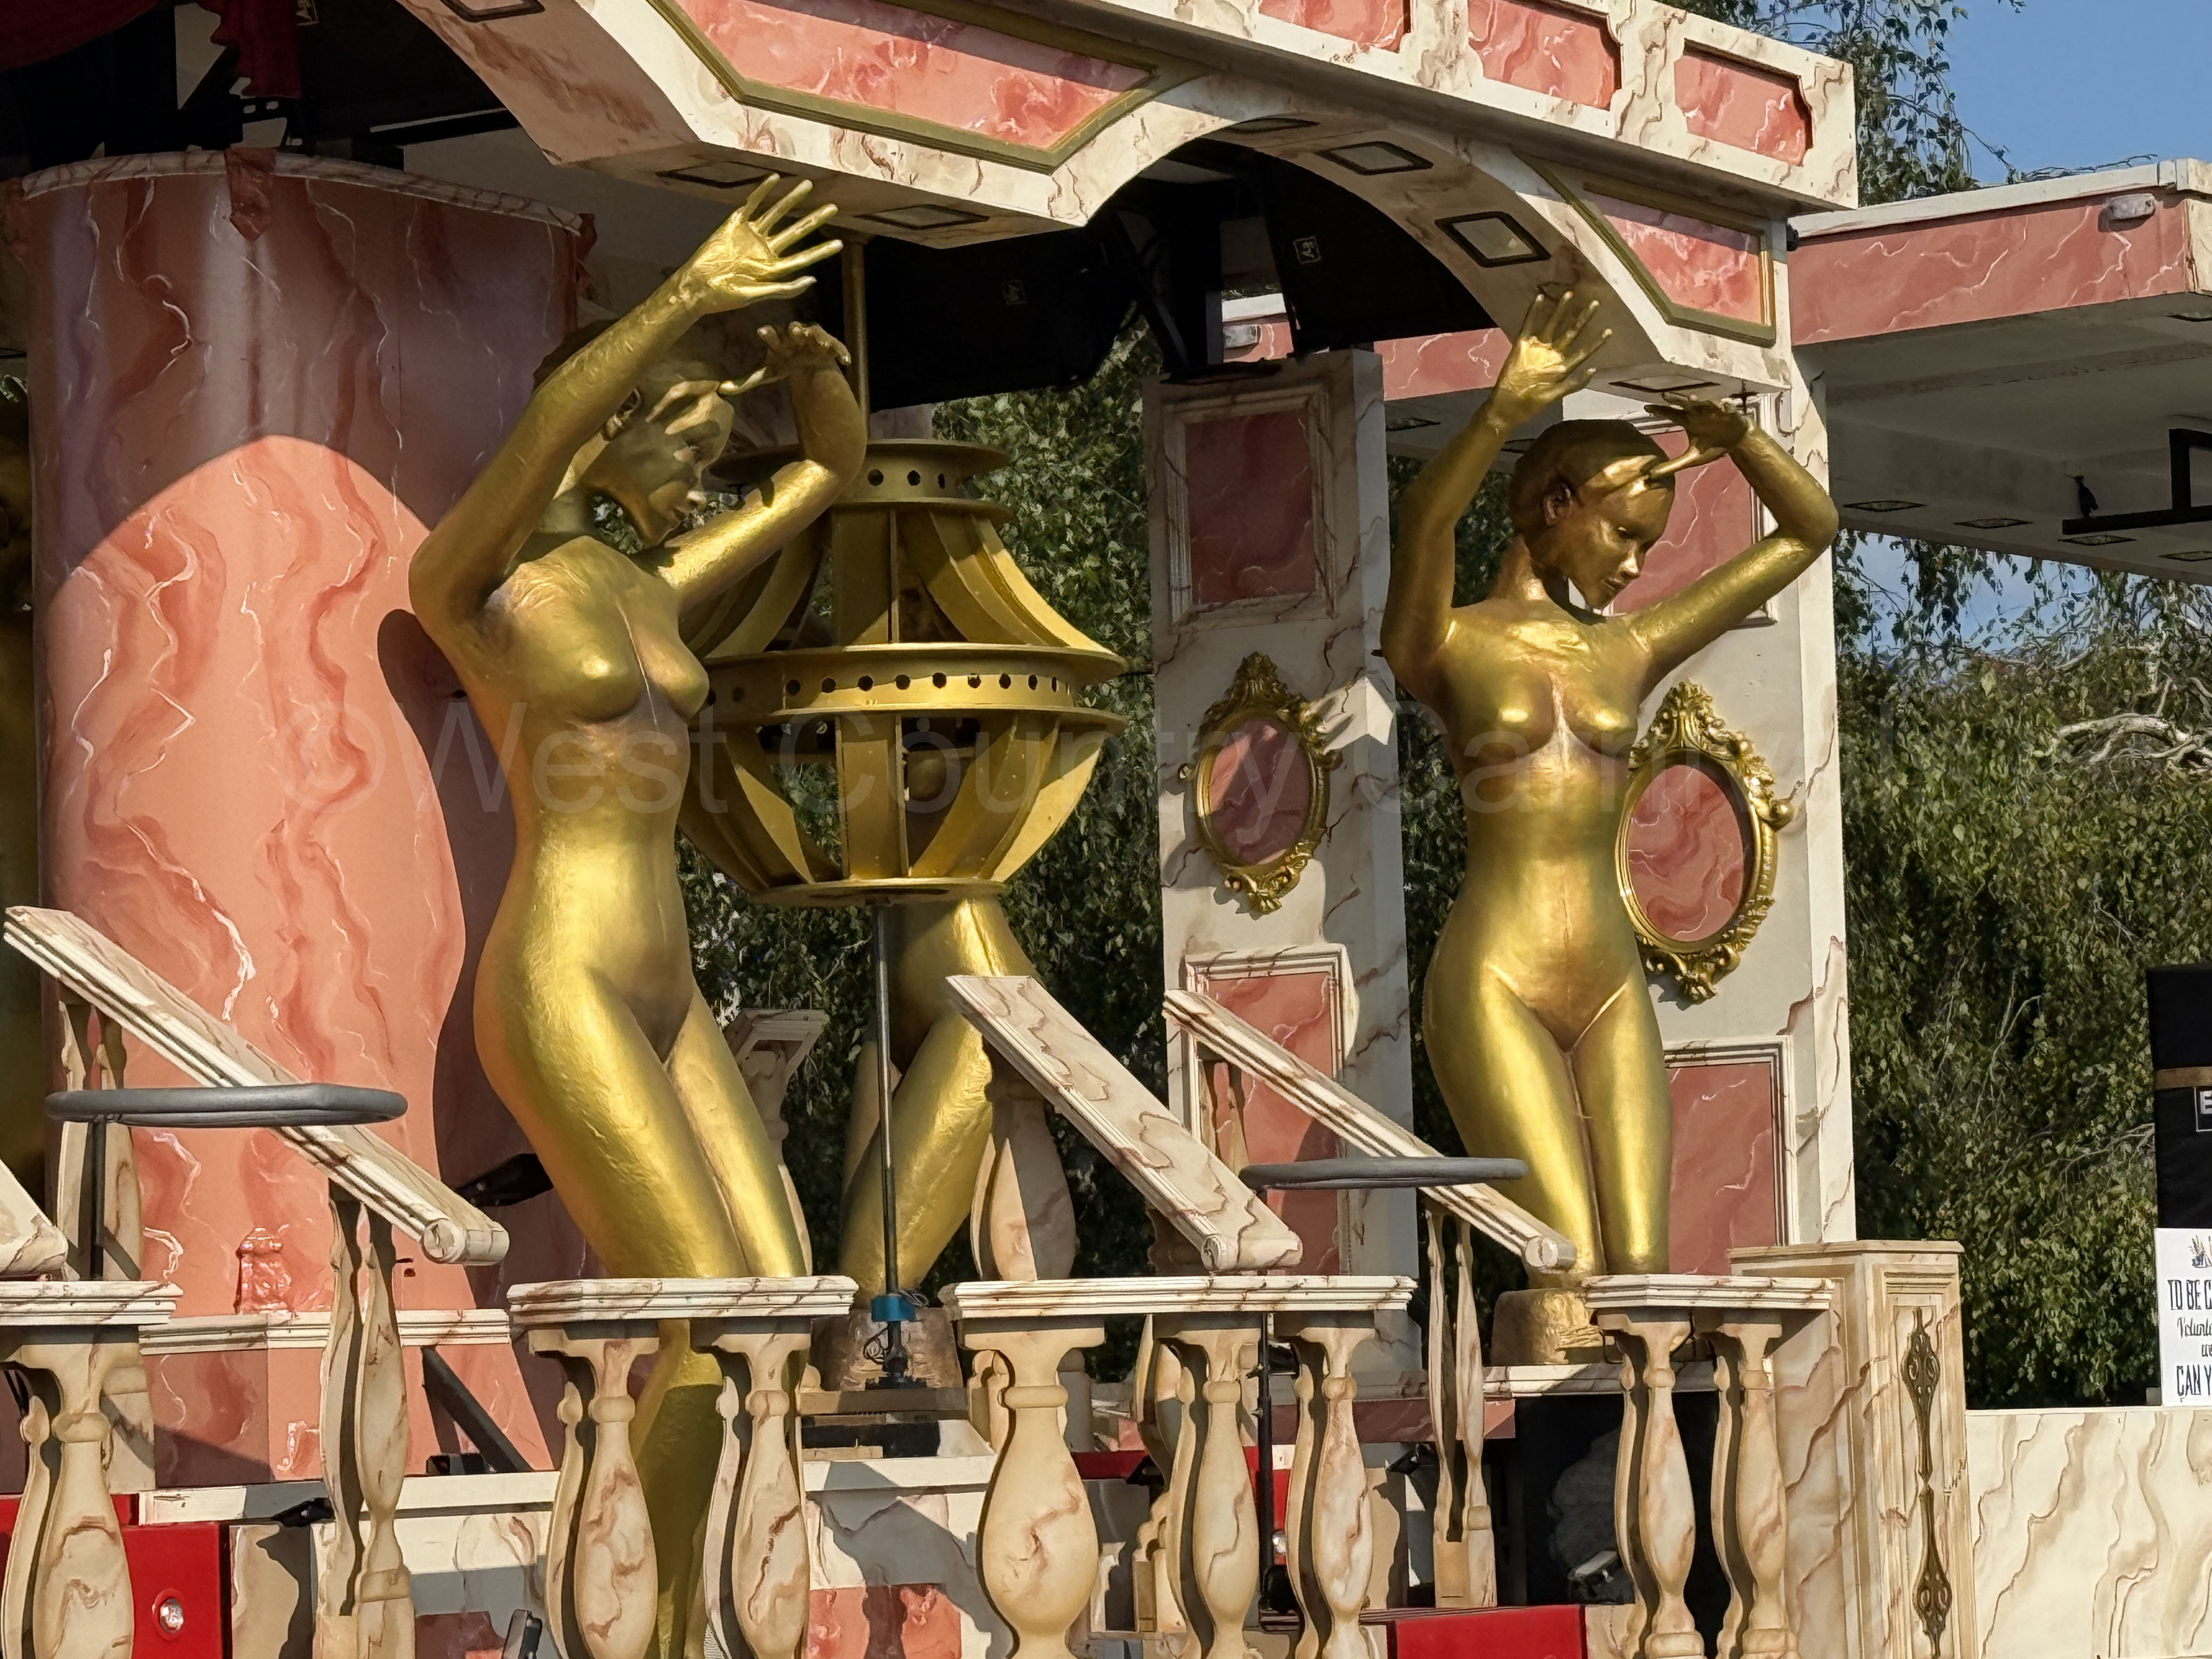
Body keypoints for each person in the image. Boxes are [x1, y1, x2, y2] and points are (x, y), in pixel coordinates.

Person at [408, 177, 866, 1651]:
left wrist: (808, 368)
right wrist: (686, 294)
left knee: (781, 1311)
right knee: (701, 1320)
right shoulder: (481, 585)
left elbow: (826, 477)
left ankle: (672, 1617)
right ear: (609, 427)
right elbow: (543, 426)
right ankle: (630, 1635)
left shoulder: (647, 588)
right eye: (688, 440)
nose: (708, 471)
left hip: (668, 988)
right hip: (564, 976)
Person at [1381, 290, 1838, 1360]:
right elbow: (1424, 524)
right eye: (1624, 536)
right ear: (1555, 504)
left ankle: (1656, 1466)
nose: (1635, 566)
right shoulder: (1446, 644)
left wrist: (1739, 441)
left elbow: (1811, 530)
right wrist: (1502, 411)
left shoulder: (1625, 651)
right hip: (1495, 974)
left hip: (1608, 978)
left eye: (1649, 546)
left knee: (1648, 1277)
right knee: (1568, 1276)